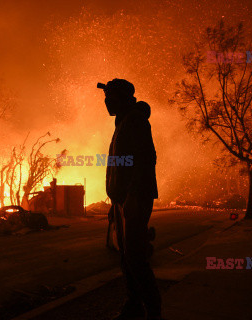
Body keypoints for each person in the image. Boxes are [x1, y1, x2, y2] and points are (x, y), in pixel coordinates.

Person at [99, 79, 162, 320]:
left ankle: (153, 312)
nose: (106, 103)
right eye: (105, 98)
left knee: (135, 258)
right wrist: (114, 202)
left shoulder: (135, 121)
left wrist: (134, 195)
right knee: (127, 257)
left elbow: (147, 159)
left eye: (110, 97)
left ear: (123, 98)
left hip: (134, 198)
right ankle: (134, 305)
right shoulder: (123, 122)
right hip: (122, 200)